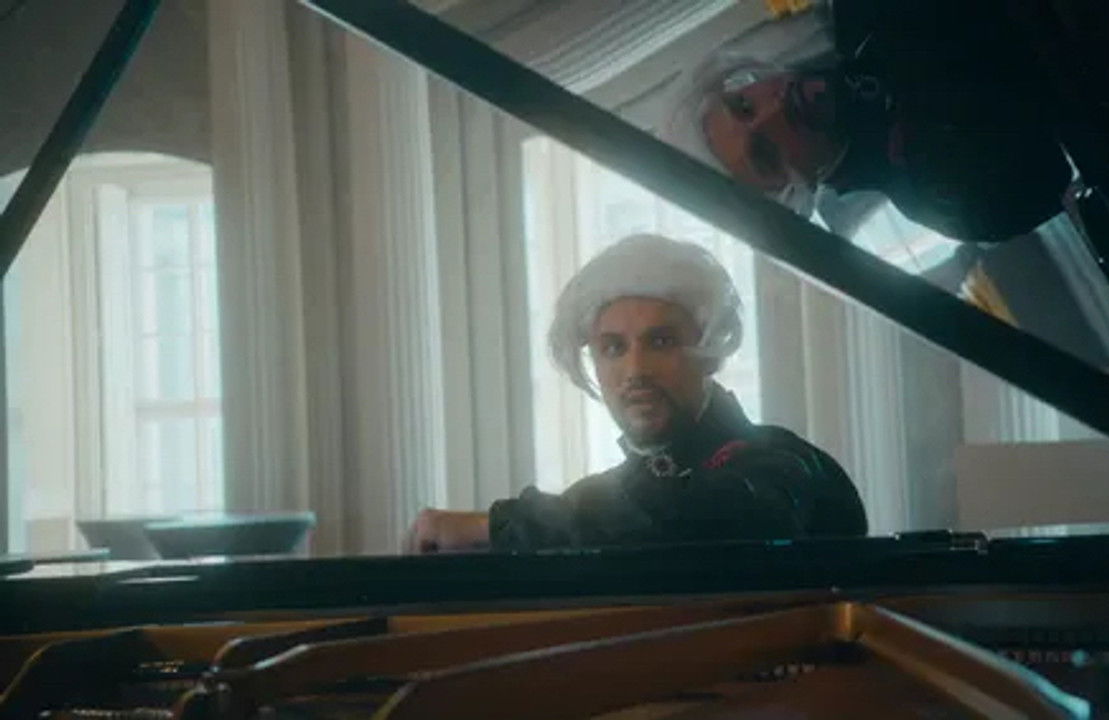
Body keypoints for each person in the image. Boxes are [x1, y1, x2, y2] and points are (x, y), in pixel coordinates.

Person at [406, 234, 868, 553]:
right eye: (612, 348)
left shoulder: (786, 465)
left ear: (709, 353)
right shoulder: (599, 502)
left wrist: (492, 525)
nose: (635, 370)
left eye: (661, 342)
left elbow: (699, 520)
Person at [661, 0, 1072, 244]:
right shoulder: (945, 197)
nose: (774, 110)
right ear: (791, 195)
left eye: (744, 104)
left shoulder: (859, 13)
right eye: (766, 153)